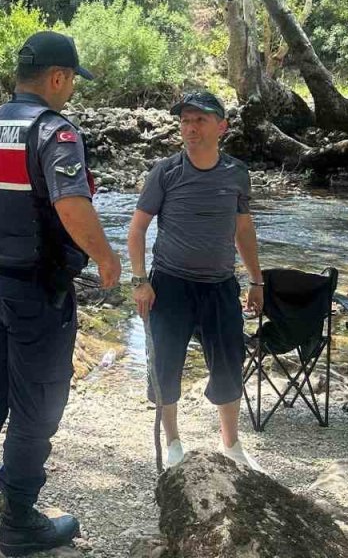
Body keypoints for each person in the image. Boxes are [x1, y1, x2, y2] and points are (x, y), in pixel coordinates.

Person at [0, 31, 121, 556]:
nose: (71, 90)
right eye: (71, 81)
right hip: (36, 288)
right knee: (37, 401)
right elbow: (72, 205)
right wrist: (106, 256)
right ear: (56, 77)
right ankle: (21, 519)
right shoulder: (56, 131)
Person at [126, 91, 265, 472]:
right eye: (185, 120)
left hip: (220, 285)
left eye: (200, 120)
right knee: (165, 365)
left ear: (221, 127)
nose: (190, 128)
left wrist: (257, 281)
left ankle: (231, 444)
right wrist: (140, 281)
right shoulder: (166, 172)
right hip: (170, 285)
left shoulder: (236, 173)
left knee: (229, 364)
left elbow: (243, 229)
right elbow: (137, 230)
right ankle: (173, 442)